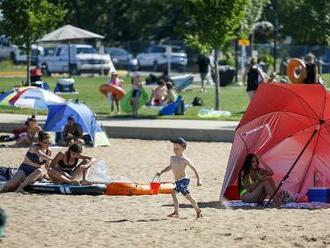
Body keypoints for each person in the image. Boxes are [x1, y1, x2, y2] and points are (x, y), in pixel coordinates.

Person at [156, 137, 202, 218]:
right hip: (178, 181)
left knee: (187, 196)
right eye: (174, 148)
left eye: (177, 148)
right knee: (174, 194)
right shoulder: (172, 158)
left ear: (183, 147)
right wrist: (161, 172)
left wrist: (198, 180)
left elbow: (194, 169)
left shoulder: (184, 160)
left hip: (184, 180)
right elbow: (170, 167)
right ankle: (177, 212)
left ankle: (196, 209)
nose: (175, 150)